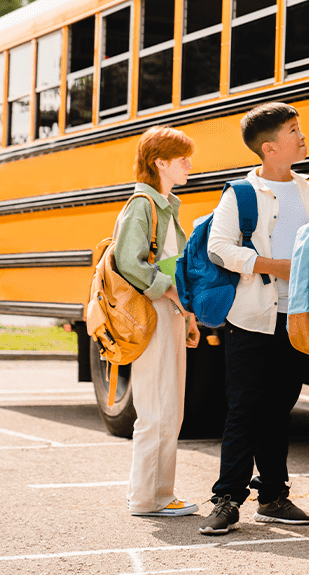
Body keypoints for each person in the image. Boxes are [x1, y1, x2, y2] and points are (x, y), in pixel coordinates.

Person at [199, 102, 309, 535]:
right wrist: (271, 266)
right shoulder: (241, 193)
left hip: (298, 318)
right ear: (271, 148)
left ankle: (273, 496)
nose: (303, 136)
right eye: (294, 130)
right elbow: (219, 247)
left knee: (280, 409)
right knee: (243, 408)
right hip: (252, 318)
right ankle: (228, 498)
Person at [116, 126, 201, 517]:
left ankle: (158, 493)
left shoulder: (165, 205)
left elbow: (168, 263)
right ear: (160, 162)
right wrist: (170, 292)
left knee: (169, 407)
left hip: (167, 314)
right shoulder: (142, 205)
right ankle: (148, 498)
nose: (189, 163)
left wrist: (187, 313)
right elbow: (129, 262)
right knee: (157, 407)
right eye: (181, 157)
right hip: (151, 315)